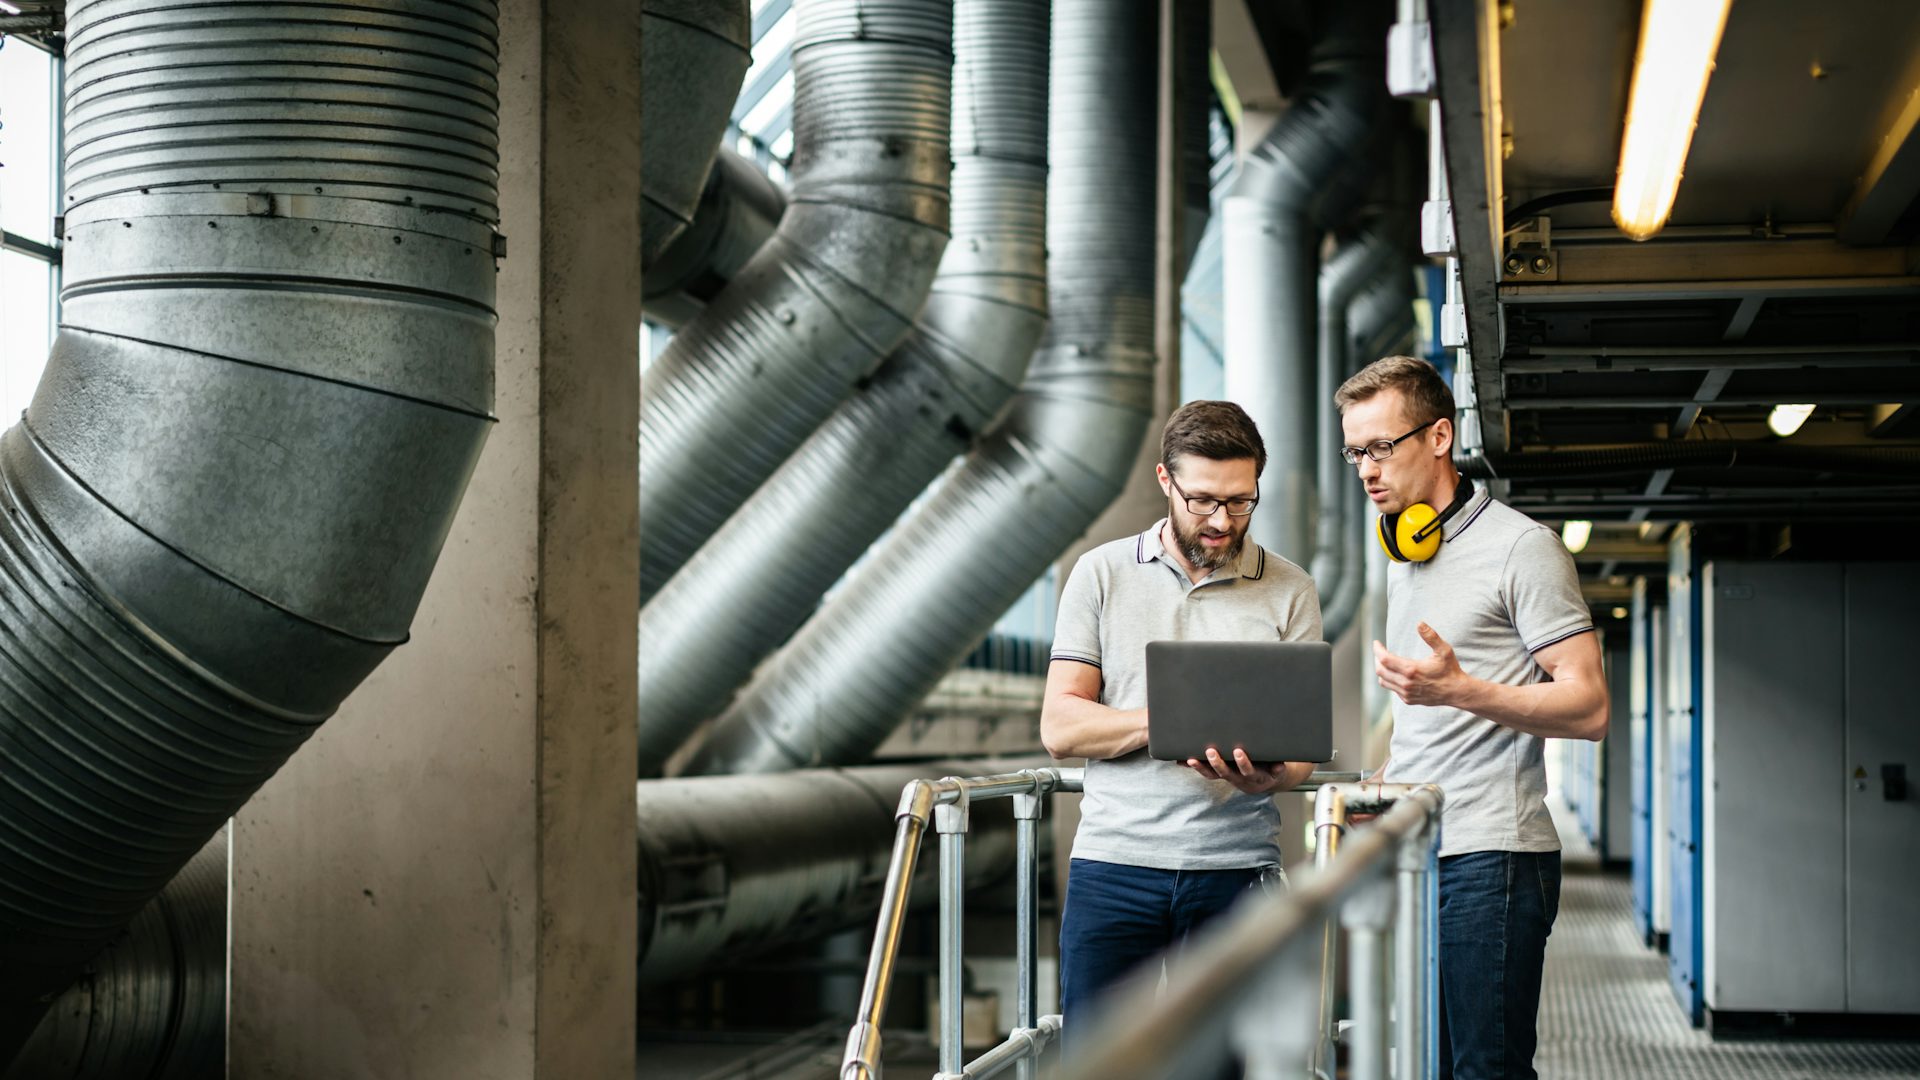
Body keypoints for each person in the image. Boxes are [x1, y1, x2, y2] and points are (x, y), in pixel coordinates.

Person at [1336, 355, 1608, 1080]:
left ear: (1438, 437)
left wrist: (1461, 690)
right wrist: (1387, 782)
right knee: (1428, 1064)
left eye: (1381, 447)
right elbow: (1432, 713)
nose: (1366, 469)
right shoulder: (1407, 555)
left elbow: (1589, 706)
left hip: (1495, 855)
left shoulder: (1523, 548)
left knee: (1485, 1069)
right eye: (1354, 451)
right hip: (1425, 845)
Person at [1041, 399, 1322, 1062]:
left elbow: (1305, 750)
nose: (1222, 520)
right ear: (1166, 481)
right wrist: (1174, 722)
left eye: (1241, 501)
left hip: (1238, 870)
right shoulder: (1102, 574)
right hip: (1115, 867)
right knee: (1099, 1063)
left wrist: (1271, 774)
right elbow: (1061, 724)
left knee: (1224, 1066)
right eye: (1201, 501)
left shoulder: (1290, 588)